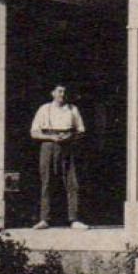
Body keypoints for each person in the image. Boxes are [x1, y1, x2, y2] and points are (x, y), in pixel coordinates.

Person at [29, 84, 84, 229]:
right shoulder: (44, 109)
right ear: (53, 93)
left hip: (68, 145)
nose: (62, 94)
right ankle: (44, 219)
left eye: (65, 92)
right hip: (48, 144)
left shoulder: (73, 109)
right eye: (59, 91)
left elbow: (81, 131)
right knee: (47, 181)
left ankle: (74, 219)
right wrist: (52, 138)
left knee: (72, 181)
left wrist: (69, 136)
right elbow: (34, 133)